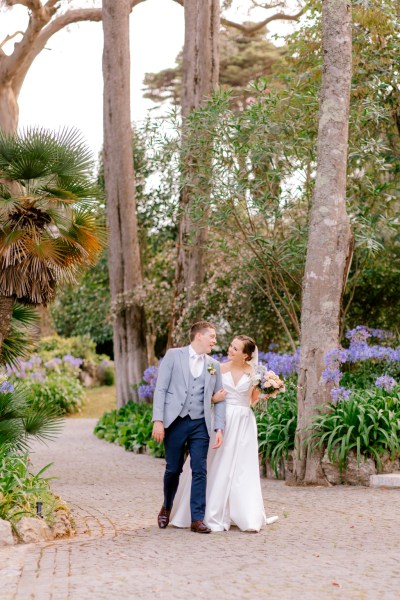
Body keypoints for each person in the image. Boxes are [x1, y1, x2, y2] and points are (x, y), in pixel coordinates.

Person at [170, 335, 279, 532]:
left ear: (245, 355)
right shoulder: (217, 368)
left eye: (235, 349)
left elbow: (251, 400)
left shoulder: (255, 373)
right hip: (221, 419)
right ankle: (200, 513)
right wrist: (214, 399)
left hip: (244, 421)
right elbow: (203, 394)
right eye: (231, 346)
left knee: (241, 467)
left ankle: (243, 512)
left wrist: (269, 390)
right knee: (214, 462)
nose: (230, 350)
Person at [152, 321, 226, 534]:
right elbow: (161, 389)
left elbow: (220, 399)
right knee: (173, 469)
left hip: (200, 423)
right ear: (199, 336)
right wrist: (158, 420)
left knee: (200, 470)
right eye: (211, 336)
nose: (214, 340)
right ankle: (167, 506)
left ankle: (197, 518)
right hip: (175, 421)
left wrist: (218, 428)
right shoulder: (174, 356)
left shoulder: (214, 365)